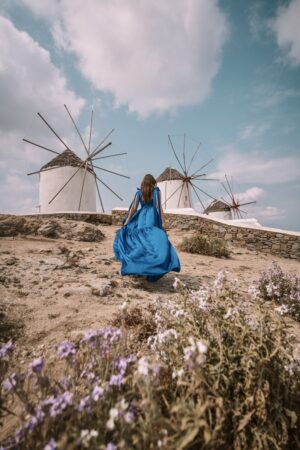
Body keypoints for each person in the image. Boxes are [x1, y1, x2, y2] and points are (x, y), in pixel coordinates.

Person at [113, 174, 180, 282]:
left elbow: (134, 207)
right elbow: (158, 207)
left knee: (140, 241)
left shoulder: (139, 192)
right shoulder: (156, 191)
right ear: (152, 182)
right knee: (151, 243)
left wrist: (127, 221)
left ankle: (138, 267)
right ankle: (151, 268)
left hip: (141, 216)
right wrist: (163, 222)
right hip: (151, 217)